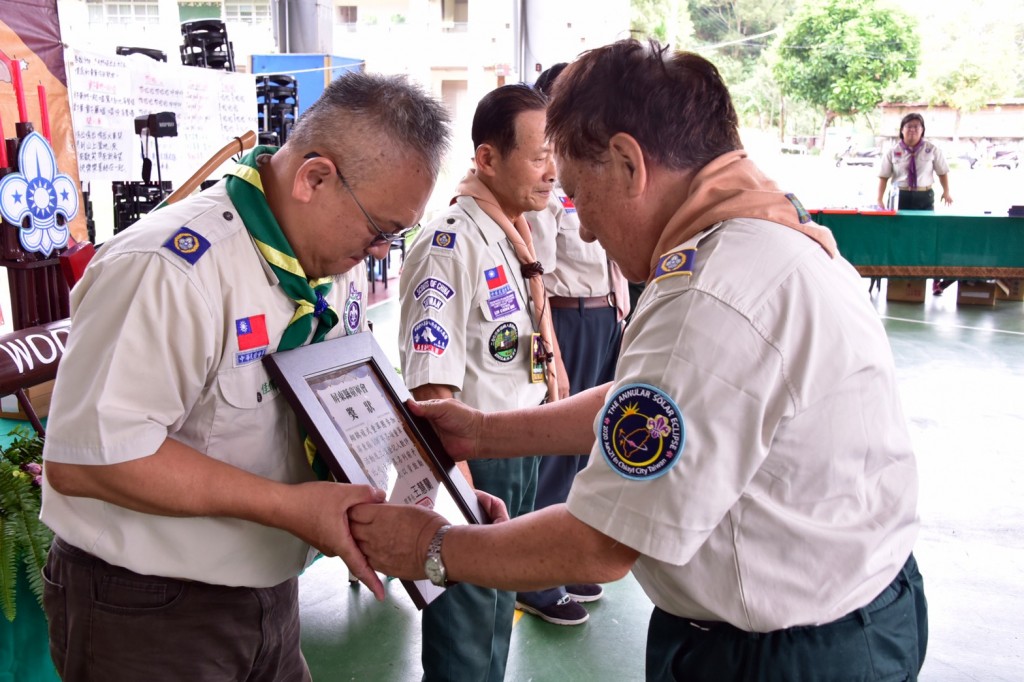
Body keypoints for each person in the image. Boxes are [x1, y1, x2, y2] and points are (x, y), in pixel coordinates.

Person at [353, 39, 928, 681]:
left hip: (782, 654)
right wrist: (486, 431)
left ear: (629, 163)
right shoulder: (767, 238)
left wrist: (429, 548)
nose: (588, 230)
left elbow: (599, 543)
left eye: (579, 195)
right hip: (850, 614)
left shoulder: (710, 297)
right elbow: (644, 405)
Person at [39, 72, 456, 681]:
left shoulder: (325, 265)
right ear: (315, 178)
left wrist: (439, 485)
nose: (380, 252)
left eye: (395, 234)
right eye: (380, 231)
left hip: (268, 594)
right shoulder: (169, 270)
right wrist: (291, 508)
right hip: (148, 610)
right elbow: (88, 460)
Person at [396, 83, 561, 679]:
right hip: (473, 461)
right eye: (539, 154)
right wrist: (461, 486)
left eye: (556, 155)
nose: (552, 171)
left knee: (498, 602)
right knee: (465, 615)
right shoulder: (450, 243)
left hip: (516, 446)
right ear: (487, 158)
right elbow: (432, 384)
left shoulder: (514, 233)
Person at [515, 62, 630, 626]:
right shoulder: (549, 186)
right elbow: (541, 273)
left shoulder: (597, 169)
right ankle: (536, 577)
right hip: (568, 320)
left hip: (606, 314)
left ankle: (562, 559)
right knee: (560, 447)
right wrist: (553, 343)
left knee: (590, 445)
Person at [876, 113, 955, 294]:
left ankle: (935, 281)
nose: (912, 130)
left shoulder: (932, 150)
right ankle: (896, 276)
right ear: (902, 130)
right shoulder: (893, 151)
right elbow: (883, 177)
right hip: (900, 197)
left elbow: (943, 172)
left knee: (927, 237)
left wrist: (946, 191)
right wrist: (879, 199)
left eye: (916, 127)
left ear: (922, 130)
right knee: (899, 236)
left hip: (923, 196)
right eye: (908, 126)